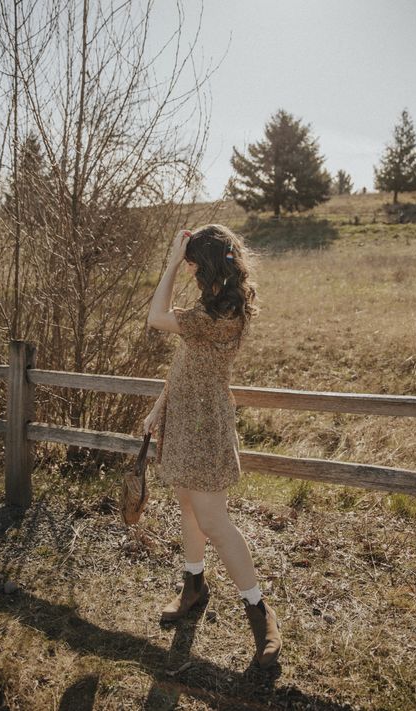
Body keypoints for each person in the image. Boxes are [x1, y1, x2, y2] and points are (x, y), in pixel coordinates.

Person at [144, 224, 282, 669]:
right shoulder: (209, 308)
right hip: (183, 419)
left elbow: (156, 316)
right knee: (188, 508)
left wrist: (169, 264)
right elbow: (186, 363)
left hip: (205, 429)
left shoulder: (222, 316)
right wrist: (159, 406)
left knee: (215, 521)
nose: (193, 276)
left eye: (194, 267)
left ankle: (260, 613)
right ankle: (194, 586)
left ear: (208, 268)